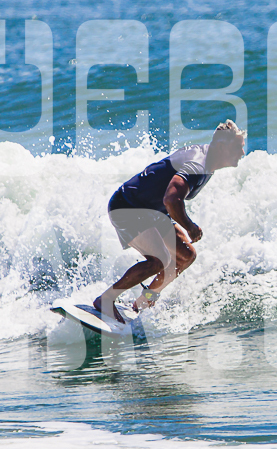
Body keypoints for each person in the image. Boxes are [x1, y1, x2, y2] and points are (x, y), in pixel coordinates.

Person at [93, 120, 246, 320]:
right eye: (238, 147)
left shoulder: (208, 162)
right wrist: (189, 226)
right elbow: (171, 199)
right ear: (222, 147)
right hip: (128, 206)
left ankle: (143, 302)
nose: (242, 153)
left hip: (152, 212)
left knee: (185, 255)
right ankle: (105, 299)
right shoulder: (198, 165)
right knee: (159, 261)